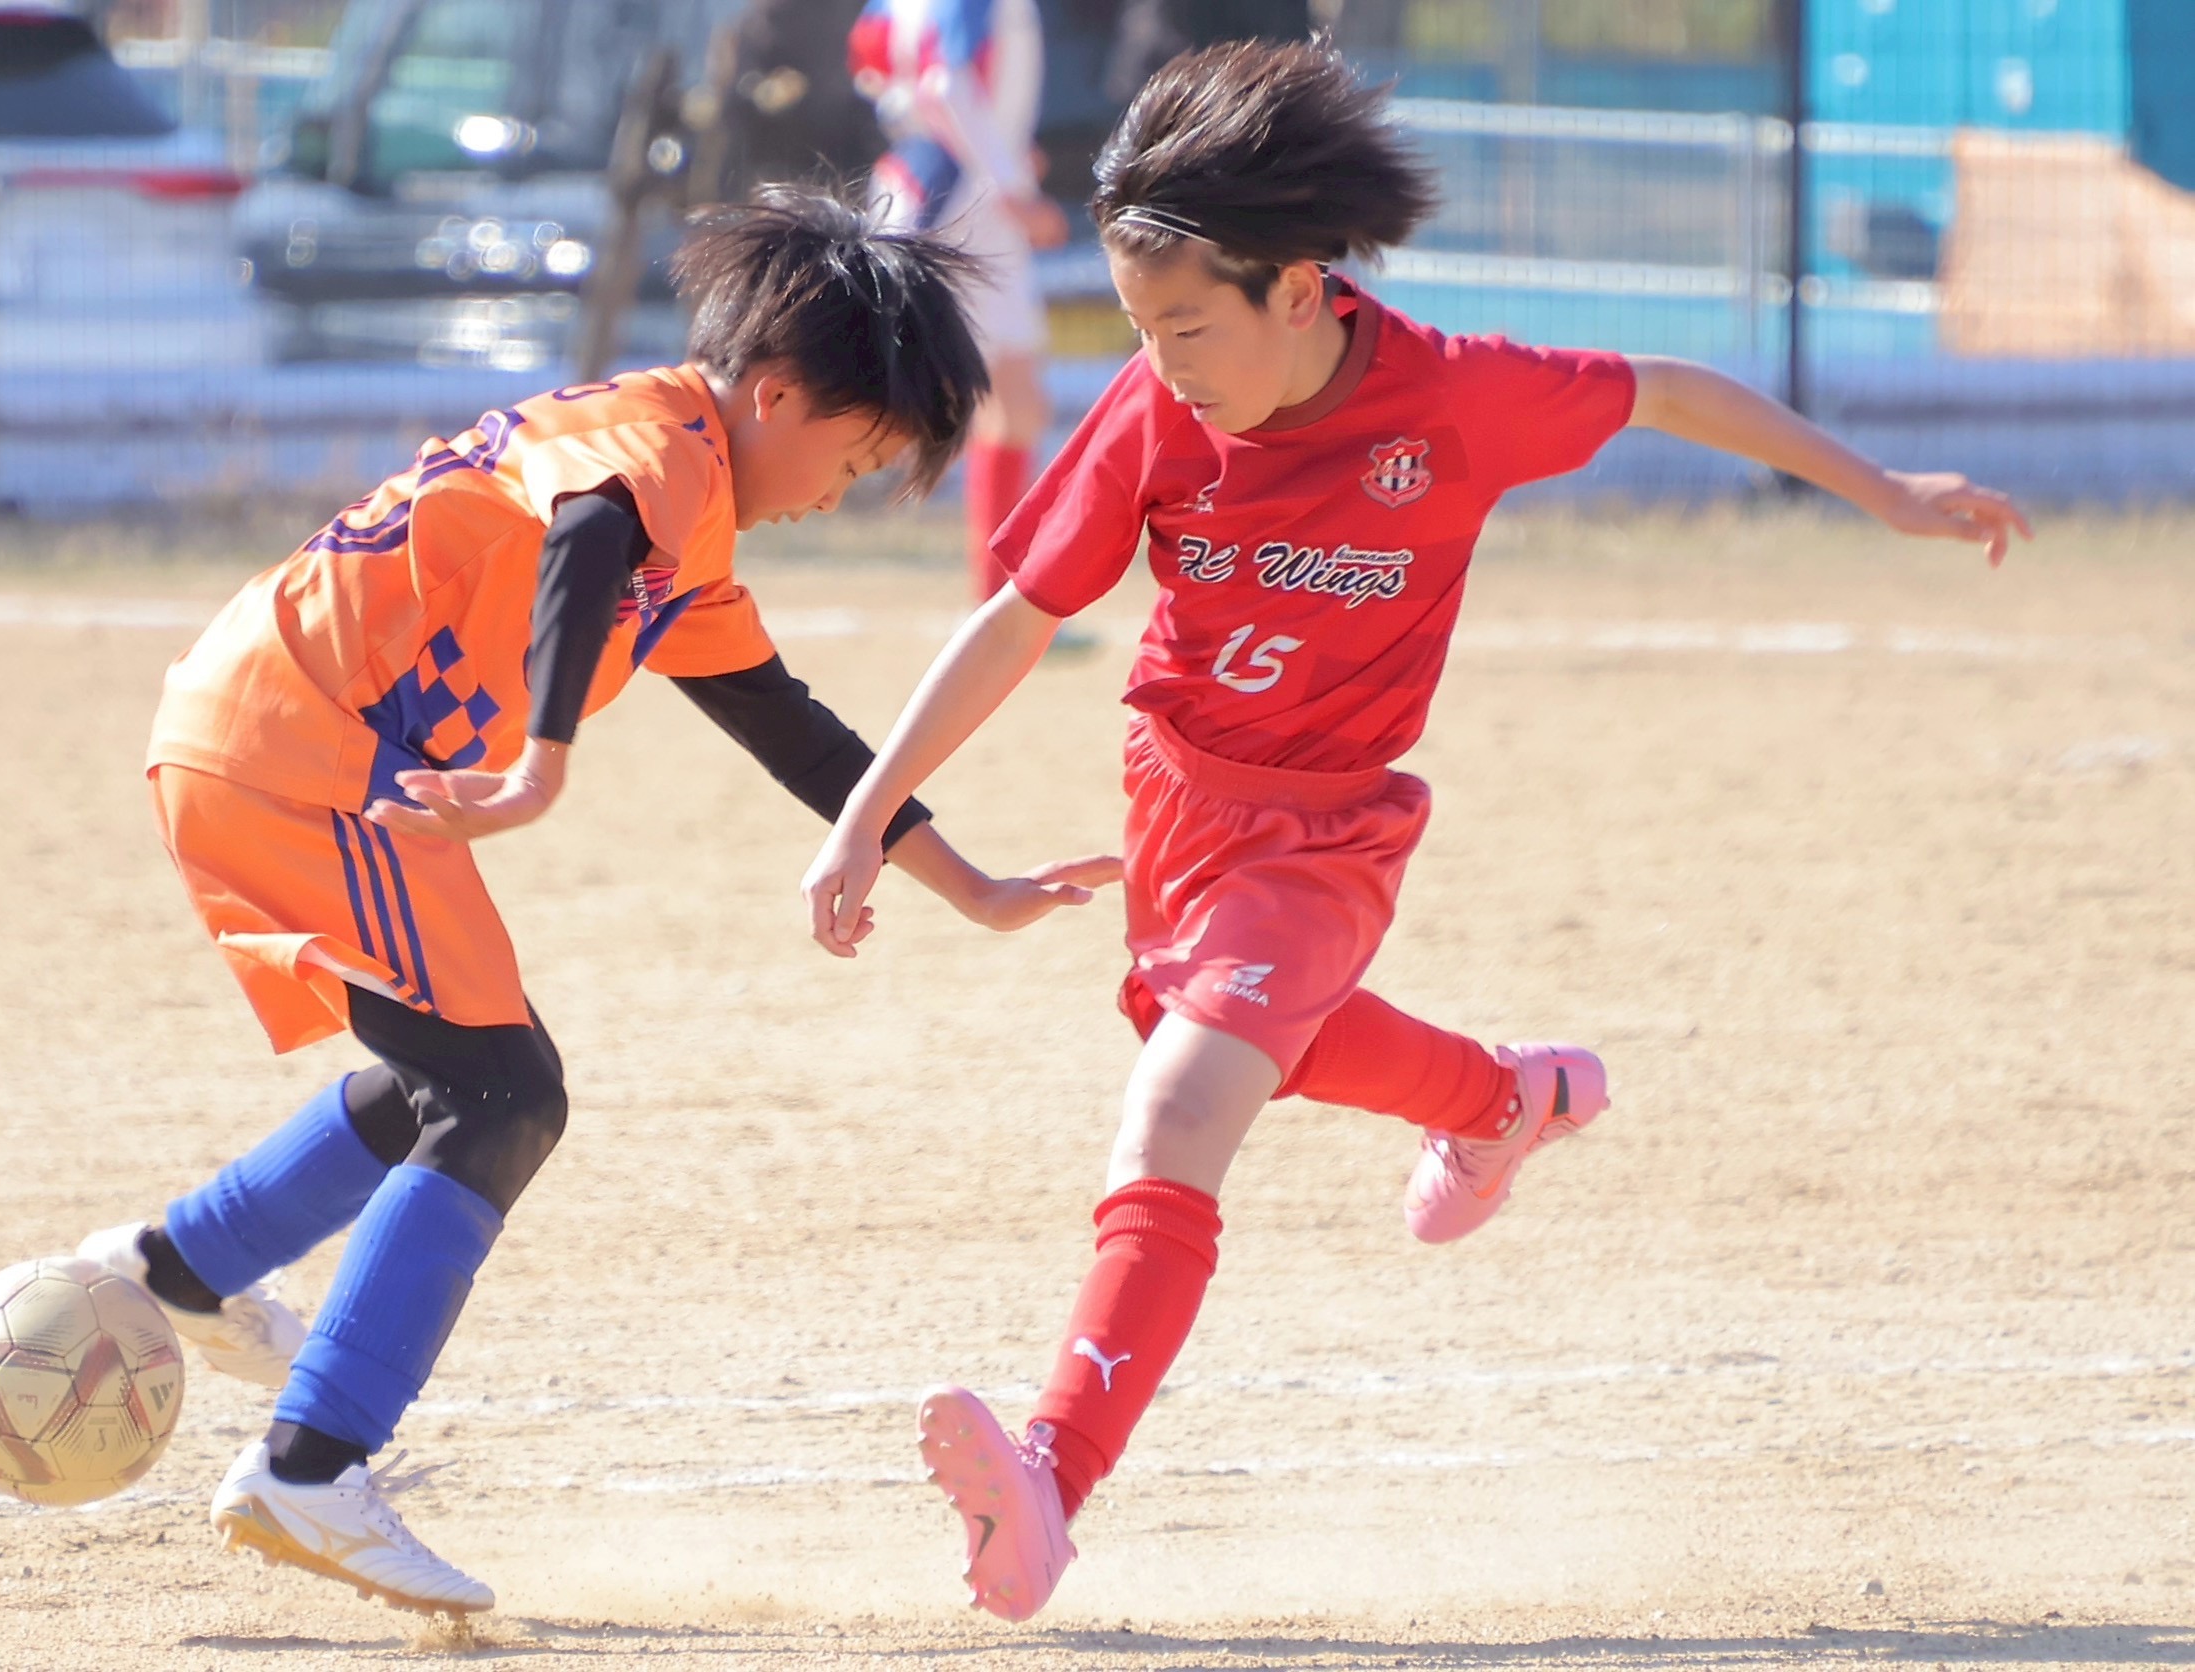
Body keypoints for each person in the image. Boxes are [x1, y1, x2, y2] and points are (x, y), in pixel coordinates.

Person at [799, 40, 2031, 1623]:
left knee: (1181, 1108)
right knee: (1271, 1048)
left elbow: (1669, 390)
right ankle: (1506, 1101)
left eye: (1187, 327)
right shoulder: (1157, 409)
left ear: (1300, 290)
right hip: (1176, 807)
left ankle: (1049, 1481)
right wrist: (868, 815)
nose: (1161, 361)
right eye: (1140, 327)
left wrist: (1884, 491)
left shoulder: (1451, 399)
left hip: (1324, 836)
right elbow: (1018, 617)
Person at [76, 190, 1109, 1619]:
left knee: (456, 1069)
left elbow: (792, 728)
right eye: (857, 456)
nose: (840, 493)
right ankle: (312, 1466)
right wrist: (541, 761)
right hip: (300, 747)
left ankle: (181, 1267)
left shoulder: (691, 527)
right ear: (776, 393)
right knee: (502, 1094)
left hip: (278, 738)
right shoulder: (656, 450)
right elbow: (587, 538)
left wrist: (968, 883)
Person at [849, 0, 1069, 607]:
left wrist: (1001, 148)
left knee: (1014, 402)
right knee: (991, 399)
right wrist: (1010, 178)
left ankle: (1000, 599)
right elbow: (946, 85)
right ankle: (997, 600)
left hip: (936, 185)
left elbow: (874, 68)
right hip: (965, 202)